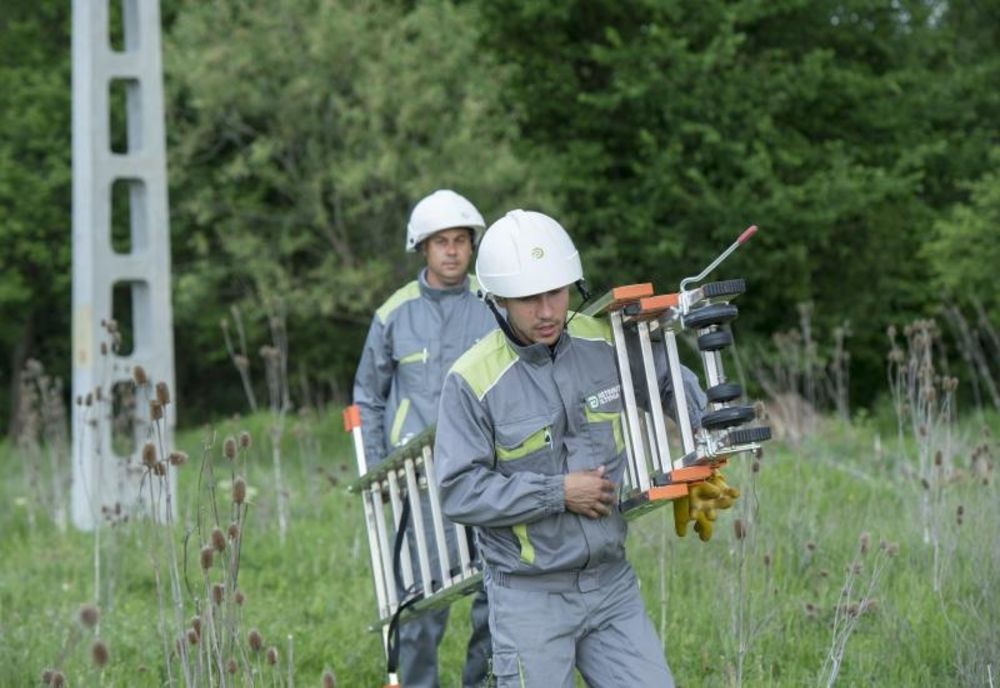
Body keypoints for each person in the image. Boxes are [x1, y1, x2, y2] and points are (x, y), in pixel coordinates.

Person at [433, 209, 710, 687]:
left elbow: (667, 378)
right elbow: (459, 491)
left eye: (556, 293)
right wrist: (557, 493)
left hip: (611, 585)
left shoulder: (603, 340)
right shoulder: (470, 381)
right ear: (497, 300)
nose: (547, 312)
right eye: (528, 299)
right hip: (528, 597)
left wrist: (708, 442)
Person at [353, 189, 494, 687]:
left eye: (460, 241)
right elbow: (368, 397)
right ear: (422, 248)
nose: (452, 251)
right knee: (419, 608)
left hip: (488, 472)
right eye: (441, 242)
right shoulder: (393, 315)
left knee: (494, 597)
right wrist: (377, 470)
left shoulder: (495, 303)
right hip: (417, 481)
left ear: (472, 247)